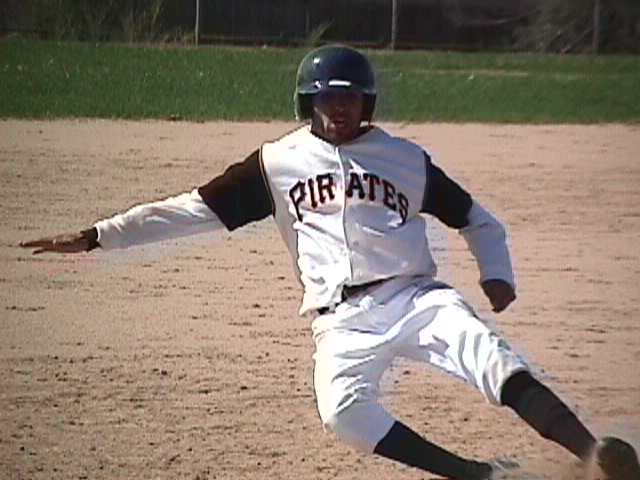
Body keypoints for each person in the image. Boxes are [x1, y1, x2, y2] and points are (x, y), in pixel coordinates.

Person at [21, 45, 639, 480]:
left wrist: (495, 271)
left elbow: (478, 218)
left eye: (350, 97)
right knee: (342, 413)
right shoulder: (276, 162)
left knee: (491, 358)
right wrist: (100, 235)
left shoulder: (404, 158)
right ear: (307, 103)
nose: (339, 107)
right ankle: (476, 475)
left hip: (415, 297)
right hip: (339, 320)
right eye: (327, 97)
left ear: (366, 102)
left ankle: (596, 455)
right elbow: (191, 210)